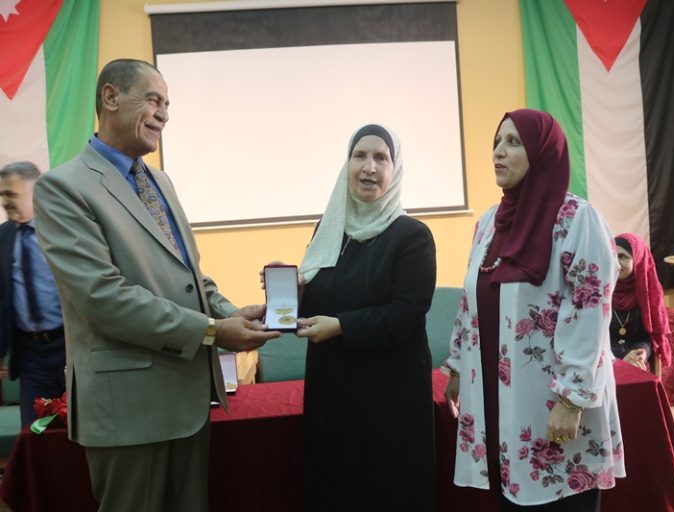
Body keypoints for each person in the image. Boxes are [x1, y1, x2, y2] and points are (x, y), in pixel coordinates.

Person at [32, 59, 281, 512]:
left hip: (187, 401)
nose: (164, 114)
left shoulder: (159, 181)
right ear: (111, 98)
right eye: (153, 100)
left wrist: (230, 312)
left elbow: (189, 275)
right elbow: (104, 299)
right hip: (127, 410)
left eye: (168, 104)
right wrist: (213, 331)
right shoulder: (62, 188)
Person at [443, 109, 625, 510]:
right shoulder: (488, 224)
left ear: (543, 152)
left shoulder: (577, 219)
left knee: (560, 497)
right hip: (496, 396)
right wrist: (458, 367)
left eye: (513, 142)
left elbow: (590, 310)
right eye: (497, 142)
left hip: (553, 401)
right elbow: (470, 302)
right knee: (509, 494)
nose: (498, 152)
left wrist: (571, 399)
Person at [296, 124, 437, 511]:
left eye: (381, 158)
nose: (369, 167)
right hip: (332, 397)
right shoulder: (328, 230)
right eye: (359, 156)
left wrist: (341, 326)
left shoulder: (412, 236)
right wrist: (295, 292)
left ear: (395, 168)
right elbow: (316, 307)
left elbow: (405, 315)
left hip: (388, 403)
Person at [0, 161, 66, 427]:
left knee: (78, 431)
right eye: (2, 195)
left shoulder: (64, 231)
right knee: (35, 432)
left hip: (70, 347)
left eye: (11, 194)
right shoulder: (3, 237)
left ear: (37, 192)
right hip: (31, 355)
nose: (5, 202)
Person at [611, 233, 672, 372]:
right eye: (613, 256)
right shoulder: (599, 291)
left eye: (622, 256)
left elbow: (648, 336)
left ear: (638, 260)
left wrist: (641, 352)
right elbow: (590, 339)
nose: (615, 263)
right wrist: (622, 357)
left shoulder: (647, 294)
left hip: (634, 361)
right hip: (602, 365)